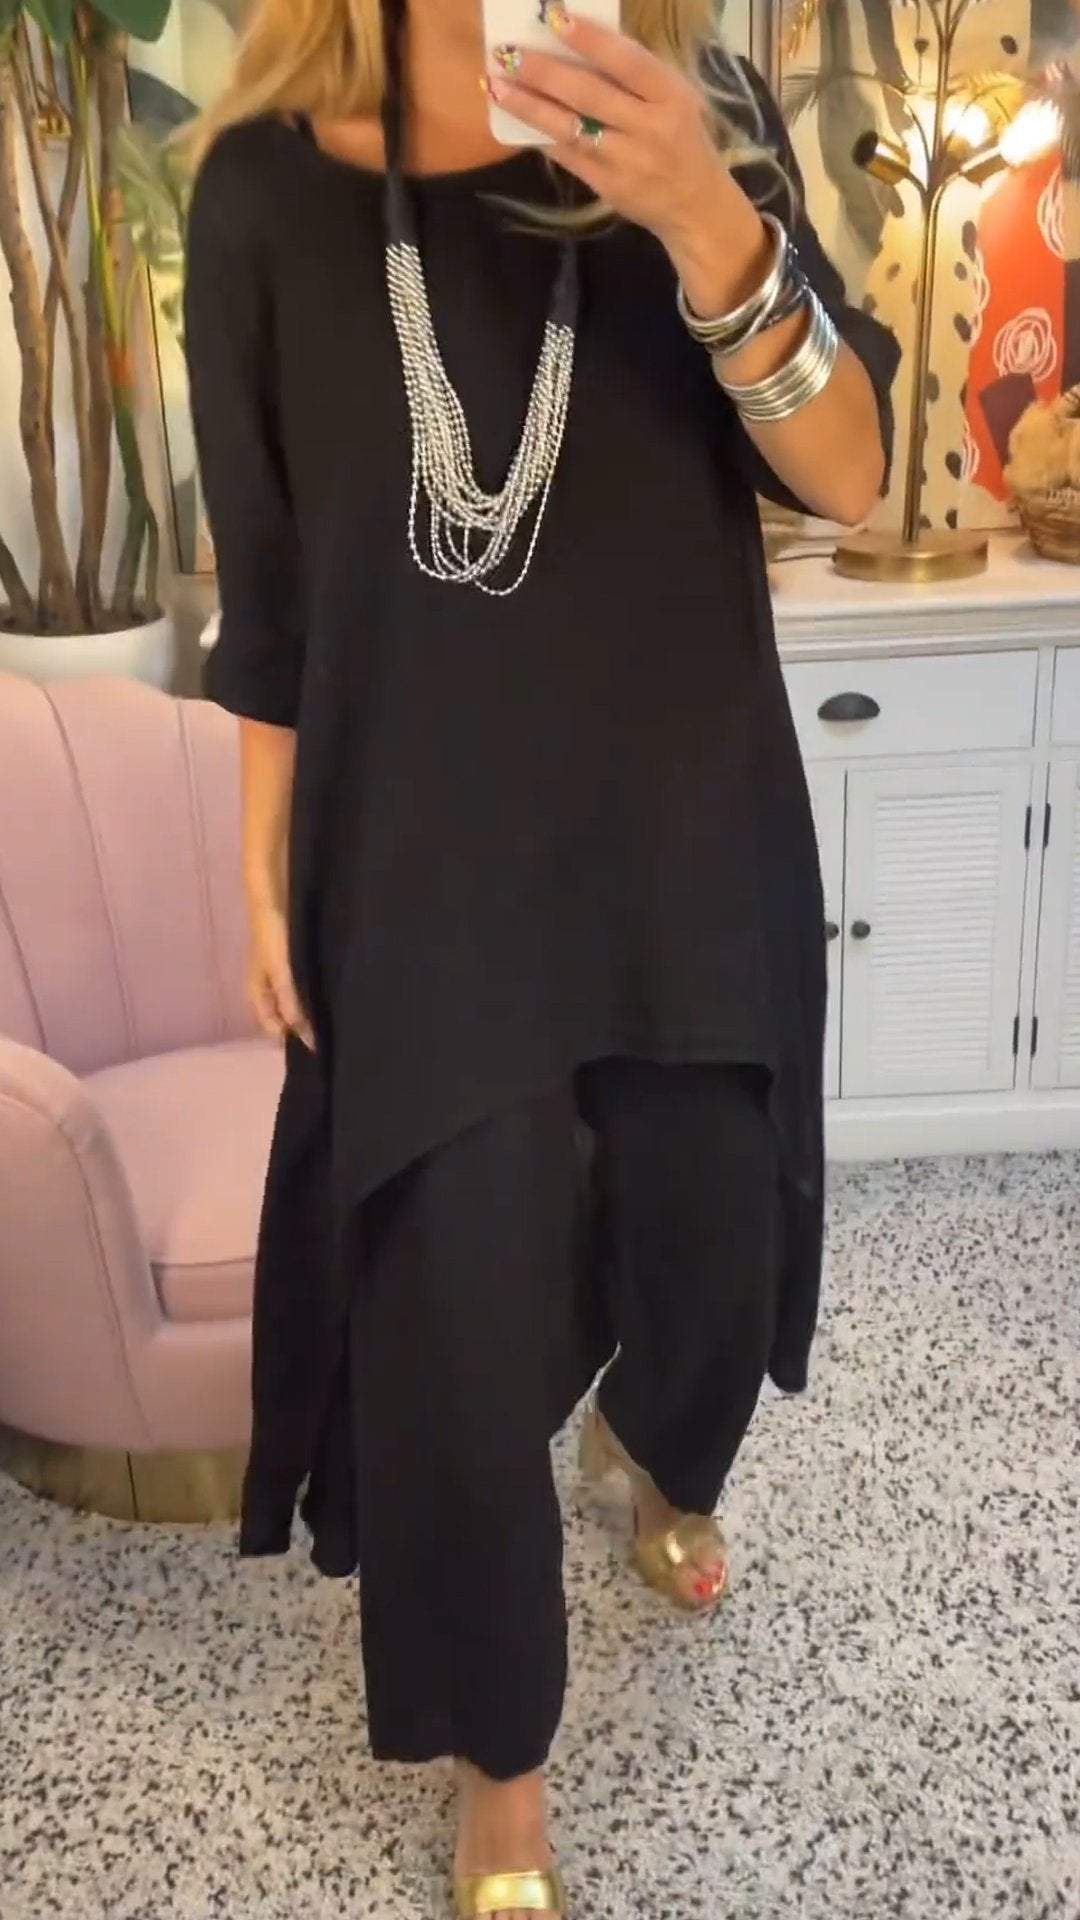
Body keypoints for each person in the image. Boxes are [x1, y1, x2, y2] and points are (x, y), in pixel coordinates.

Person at [184, 0, 898, 1908]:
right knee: (455, 1318)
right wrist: (260, 861)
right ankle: (503, 1767)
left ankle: (657, 1440)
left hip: (683, 840)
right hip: (423, 872)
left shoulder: (698, 113)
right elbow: (270, 585)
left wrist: (705, 220)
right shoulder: (260, 192)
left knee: (714, 1237)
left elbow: (852, 475)